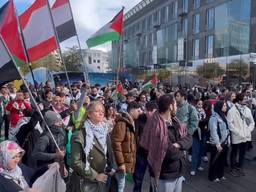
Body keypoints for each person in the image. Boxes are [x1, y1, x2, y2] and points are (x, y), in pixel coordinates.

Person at [140, 94, 192, 192]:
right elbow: (167, 152)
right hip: (164, 174)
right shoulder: (156, 125)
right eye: (175, 104)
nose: (177, 107)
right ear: (171, 106)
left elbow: (189, 138)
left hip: (177, 172)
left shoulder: (175, 121)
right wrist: (182, 151)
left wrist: (178, 145)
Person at [70, 101, 114, 192]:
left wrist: (110, 167)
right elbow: (76, 161)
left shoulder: (105, 131)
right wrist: (95, 176)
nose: (101, 113)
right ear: (89, 114)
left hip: (103, 178)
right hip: (86, 181)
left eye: (102, 111)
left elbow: (108, 152)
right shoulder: (79, 134)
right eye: (97, 111)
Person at [111, 101, 142, 192]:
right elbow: (116, 142)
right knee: (119, 185)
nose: (140, 113)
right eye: (138, 110)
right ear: (132, 110)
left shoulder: (130, 122)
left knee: (120, 184)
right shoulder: (122, 123)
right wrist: (121, 163)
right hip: (120, 162)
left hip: (124, 161)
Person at [227, 93, 255, 177]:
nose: (247, 100)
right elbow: (230, 124)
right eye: (245, 99)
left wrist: (248, 130)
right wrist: (238, 132)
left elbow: (252, 122)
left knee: (242, 153)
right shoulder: (232, 110)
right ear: (239, 100)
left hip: (246, 136)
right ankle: (233, 168)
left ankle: (239, 167)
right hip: (237, 135)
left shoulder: (248, 110)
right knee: (234, 152)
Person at [208, 101, 230, 182]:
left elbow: (227, 130)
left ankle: (220, 174)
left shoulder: (224, 116)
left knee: (222, 160)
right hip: (217, 143)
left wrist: (228, 141)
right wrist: (217, 144)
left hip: (225, 142)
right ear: (219, 106)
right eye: (224, 106)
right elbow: (214, 131)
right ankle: (212, 176)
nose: (225, 107)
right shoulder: (214, 118)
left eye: (225, 105)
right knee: (215, 160)